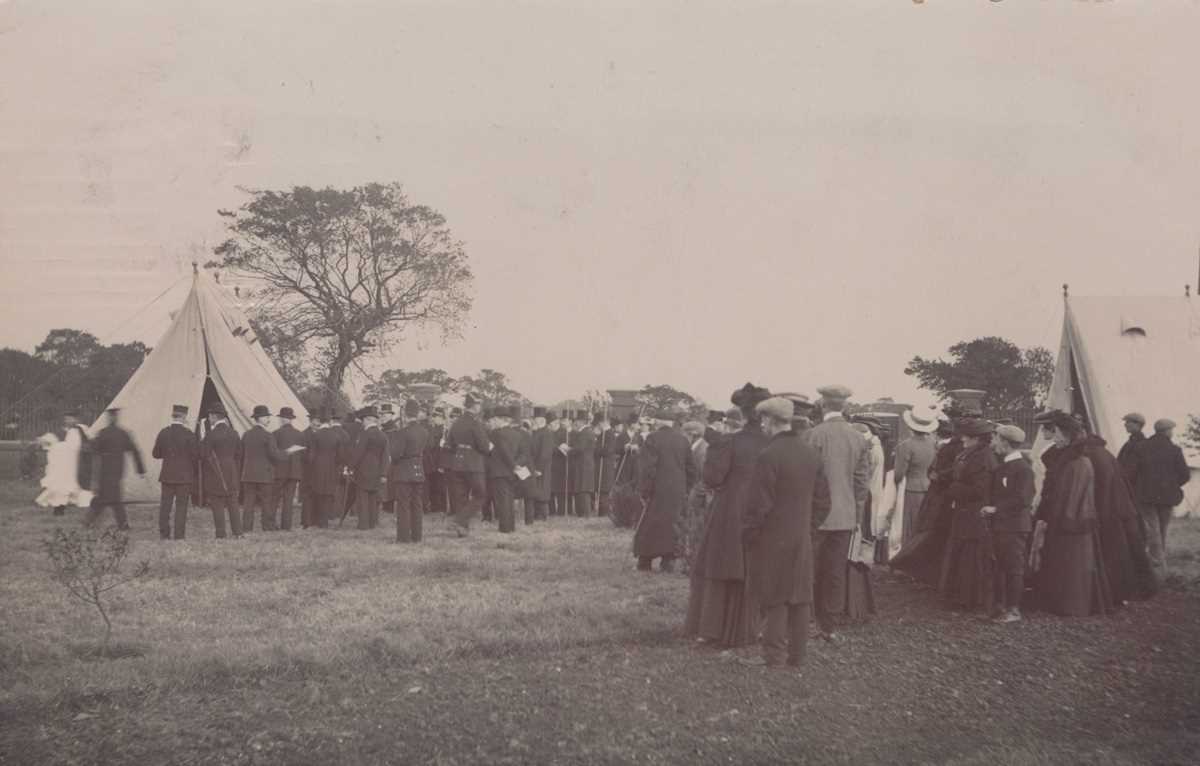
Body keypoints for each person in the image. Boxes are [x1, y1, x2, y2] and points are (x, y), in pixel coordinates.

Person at [740, 397, 831, 669]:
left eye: (764, 420)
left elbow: (758, 505)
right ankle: (798, 658)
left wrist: (750, 534)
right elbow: (824, 502)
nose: (763, 425)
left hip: (771, 538)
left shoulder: (768, 455)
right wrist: (808, 529)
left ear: (769, 420)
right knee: (800, 597)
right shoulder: (811, 454)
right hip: (801, 537)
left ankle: (774, 659)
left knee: (775, 597)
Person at [685, 384, 769, 648]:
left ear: (742, 414)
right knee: (751, 567)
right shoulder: (772, 443)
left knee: (719, 565)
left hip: (730, 510)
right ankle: (749, 628)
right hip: (762, 511)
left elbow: (712, 478)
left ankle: (711, 629)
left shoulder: (729, 442)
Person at [1031, 410, 1113, 617]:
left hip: (1073, 521)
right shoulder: (1069, 458)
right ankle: (1059, 603)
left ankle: (1071, 606)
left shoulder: (1077, 462)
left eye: (1057, 433)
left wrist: (1055, 517)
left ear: (1067, 435)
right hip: (1068, 519)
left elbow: (1072, 495)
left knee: (1072, 564)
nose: (1055, 438)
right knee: (1065, 562)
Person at [805, 385, 870, 642]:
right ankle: (829, 625)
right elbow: (861, 483)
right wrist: (856, 516)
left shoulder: (813, 435)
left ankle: (809, 620)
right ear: (843, 406)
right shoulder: (858, 438)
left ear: (822, 404)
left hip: (816, 516)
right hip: (845, 516)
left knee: (810, 568)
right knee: (834, 571)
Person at [938, 417, 997, 613]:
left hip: (974, 514)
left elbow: (980, 490)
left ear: (978, 439)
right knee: (963, 553)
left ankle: (969, 598)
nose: (963, 439)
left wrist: (953, 488)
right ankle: (960, 595)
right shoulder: (971, 453)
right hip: (965, 512)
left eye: (967, 436)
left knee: (971, 556)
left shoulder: (983, 457)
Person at [981, 425, 1034, 623]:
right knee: (1001, 566)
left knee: (1013, 568)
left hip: (1015, 527)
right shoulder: (1004, 466)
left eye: (995, 439)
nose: (993, 444)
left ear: (1005, 442)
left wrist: (996, 509)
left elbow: (1023, 499)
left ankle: (1014, 610)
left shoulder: (1023, 469)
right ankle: (1001, 606)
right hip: (1002, 526)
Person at [633, 413, 697, 572]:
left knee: (650, 524)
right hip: (678, 489)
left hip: (657, 489)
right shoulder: (683, 440)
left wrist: (645, 490)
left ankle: (645, 560)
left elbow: (648, 468)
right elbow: (691, 468)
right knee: (673, 524)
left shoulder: (652, 438)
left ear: (659, 422)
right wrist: (687, 488)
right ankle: (668, 560)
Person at [1132, 418, 1192, 578]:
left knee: (1152, 529)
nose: (1172, 432)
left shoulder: (1141, 447)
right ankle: (1159, 568)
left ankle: (1154, 565)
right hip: (1166, 497)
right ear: (1166, 431)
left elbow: (1134, 473)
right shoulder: (1175, 450)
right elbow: (1185, 475)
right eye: (1171, 429)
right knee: (1161, 530)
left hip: (1145, 496)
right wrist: (1171, 485)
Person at [84, 408, 146, 529]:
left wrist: (88, 444)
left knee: (107, 497)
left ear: (109, 418)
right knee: (112, 498)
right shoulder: (123, 433)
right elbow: (134, 451)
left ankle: (90, 521)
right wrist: (140, 469)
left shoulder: (103, 433)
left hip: (105, 470)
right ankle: (121, 524)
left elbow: (93, 449)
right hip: (117, 470)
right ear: (116, 418)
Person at [891, 406, 938, 546]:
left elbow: (899, 473)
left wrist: (894, 483)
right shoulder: (933, 444)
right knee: (922, 524)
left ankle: (904, 555)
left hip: (911, 488)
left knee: (908, 523)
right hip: (928, 486)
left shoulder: (906, 446)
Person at [446, 394, 492, 537]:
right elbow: (484, 447)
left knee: (461, 497)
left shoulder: (456, 422)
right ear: (474, 406)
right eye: (478, 404)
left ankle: (462, 531)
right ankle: (460, 520)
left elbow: (450, 444)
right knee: (480, 494)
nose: (479, 407)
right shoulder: (475, 423)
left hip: (457, 463)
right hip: (473, 463)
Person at [152, 404, 199, 539]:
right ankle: (179, 535)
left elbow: (155, 454)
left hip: (167, 475)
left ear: (173, 415)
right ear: (184, 417)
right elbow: (195, 455)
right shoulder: (188, 434)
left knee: (165, 506)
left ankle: (164, 534)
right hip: (184, 477)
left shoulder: (163, 432)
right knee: (181, 507)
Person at [240, 405, 289, 533]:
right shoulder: (268, 436)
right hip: (265, 474)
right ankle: (267, 527)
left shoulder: (246, 435)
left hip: (248, 474)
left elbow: (240, 454)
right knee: (266, 502)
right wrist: (287, 452)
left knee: (248, 503)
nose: (268, 419)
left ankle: (246, 528)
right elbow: (275, 455)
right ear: (259, 418)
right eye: (266, 417)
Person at [36, 410, 93, 515]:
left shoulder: (82, 429)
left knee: (80, 480)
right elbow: (56, 442)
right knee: (63, 480)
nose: (68, 420)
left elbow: (89, 441)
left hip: (79, 460)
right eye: (66, 419)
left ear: (76, 419)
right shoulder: (63, 431)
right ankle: (60, 502)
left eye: (71, 418)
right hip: (66, 461)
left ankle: (78, 499)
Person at [200, 404, 242, 538]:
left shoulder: (210, 435)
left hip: (215, 472)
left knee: (217, 504)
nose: (209, 419)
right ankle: (238, 533)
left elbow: (203, 454)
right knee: (233, 504)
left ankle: (221, 533)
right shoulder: (234, 433)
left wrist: (202, 439)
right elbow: (239, 454)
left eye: (209, 416)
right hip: (231, 472)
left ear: (213, 416)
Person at [391, 400, 429, 542]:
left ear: (405, 414)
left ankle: (403, 537)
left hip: (404, 471)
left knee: (403, 505)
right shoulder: (424, 432)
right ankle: (417, 536)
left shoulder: (402, 432)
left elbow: (396, 454)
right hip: (418, 469)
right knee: (417, 504)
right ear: (417, 413)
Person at [678, 419, 713, 574]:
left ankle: (692, 562)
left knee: (695, 527)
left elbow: (701, 475)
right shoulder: (696, 447)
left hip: (699, 494)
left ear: (693, 434)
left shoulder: (702, 449)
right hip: (696, 492)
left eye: (684, 434)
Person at [306, 409, 348, 529]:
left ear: (320, 422)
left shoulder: (315, 435)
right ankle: (324, 521)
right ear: (330, 421)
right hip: (331, 468)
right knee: (328, 494)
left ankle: (316, 520)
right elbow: (341, 457)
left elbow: (311, 456)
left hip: (317, 468)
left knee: (317, 493)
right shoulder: (336, 436)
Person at [351, 406, 389, 530]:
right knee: (373, 497)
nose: (362, 422)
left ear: (367, 420)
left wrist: (350, 466)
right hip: (377, 470)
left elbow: (358, 453)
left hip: (364, 469)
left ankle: (363, 524)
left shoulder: (365, 434)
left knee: (362, 497)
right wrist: (383, 473)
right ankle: (372, 523)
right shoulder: (383, 435)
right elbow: (385, 456)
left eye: (363, 420)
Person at [487, 406, 522, 533]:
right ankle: (511, 526)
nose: (493, 421)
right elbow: (522, 453)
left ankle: (505, 528)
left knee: (502, 500)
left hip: (499, 470)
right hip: (513, 471)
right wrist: (516, 466)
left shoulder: (495, 434)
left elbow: (503, 451)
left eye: (495, 419)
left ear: (501, 419)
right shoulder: (517, 434)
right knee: (509, 499)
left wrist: (512, 465)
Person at [273, 407, 305, 531]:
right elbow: (303, 454)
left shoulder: (275, 434)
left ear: (281, 419)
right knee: (289, 499)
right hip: (294, 472)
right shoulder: (300, 434)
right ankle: (286, 525)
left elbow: (273, 453)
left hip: (279, 471)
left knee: (274, 498)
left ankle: (271, 522)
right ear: (291, 419)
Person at [567, 412, 597, 517]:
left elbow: (580, 448)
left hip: (584, 465)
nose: (575, 423)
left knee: (584, 489)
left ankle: (586, 513)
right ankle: (582, 512)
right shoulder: (586, 431)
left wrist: (569, 449)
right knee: (581, 488)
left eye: (576, 421)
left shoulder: (585, 432)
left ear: (581, 422)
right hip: (584, 464)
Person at [528, 411, 554, 521]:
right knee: (536, 489)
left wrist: (539, 468)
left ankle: (542, 514)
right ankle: (537, 513)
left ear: (542, 421)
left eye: (536, 419)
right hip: (535, 465)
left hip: (542, 466)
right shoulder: (536, 432)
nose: (534, 421)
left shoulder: (546, 433)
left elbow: (545, 453)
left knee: (542, 490)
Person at [594, 414, 619, 518]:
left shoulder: (610, 434)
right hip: (601, 464)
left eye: (599, 423)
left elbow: (609, 450)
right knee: (601, 488)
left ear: (603, 422)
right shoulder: (603, 433)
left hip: (606, 465)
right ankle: (601, 511)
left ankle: (604, 512)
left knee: (604, 488)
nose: (598, 425)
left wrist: (597, 450)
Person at [425, 407, 449, 515]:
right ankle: (434, 506)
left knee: (441, 486)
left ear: (443, 419)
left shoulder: (446, 431)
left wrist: (442, 464)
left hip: (441, 461)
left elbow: (445, 450)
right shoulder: (431, 430)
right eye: (434, 417)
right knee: (433, 485)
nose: (435, 419)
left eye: (438, 417)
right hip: (432, 461)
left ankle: (442, 507)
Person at [1116, 413, 1146, 488]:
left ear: (1137, 424)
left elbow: (1132, 468)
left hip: (1136, 486)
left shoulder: (1140, 443)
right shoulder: (1130, 443)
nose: (1125, 425)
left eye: (1128, 422)